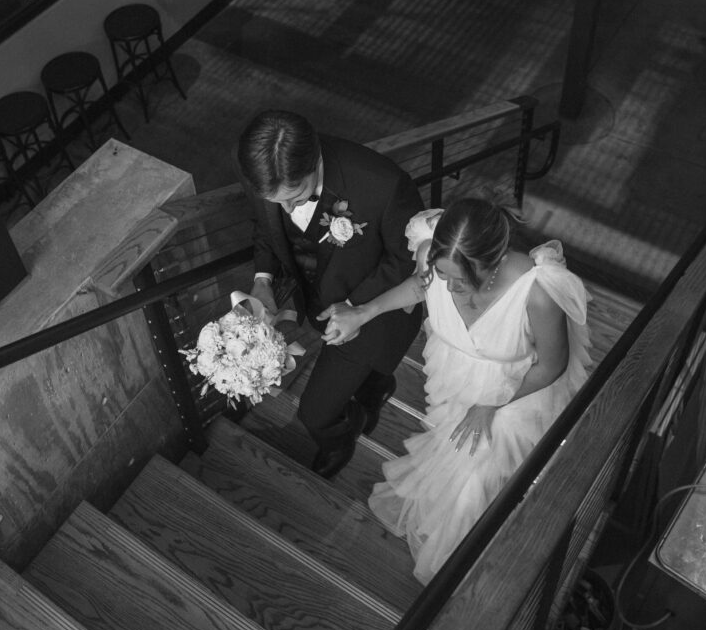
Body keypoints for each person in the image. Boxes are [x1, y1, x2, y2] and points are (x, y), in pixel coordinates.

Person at [325, 198, 591, 583]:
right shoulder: (430, 256)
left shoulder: (537, 292)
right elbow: (418, 288)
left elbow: (552, 365)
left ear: (493, 262)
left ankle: (460, 570)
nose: (447, 287)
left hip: (516, 390)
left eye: (460, 280)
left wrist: (491, 405)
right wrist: (363, 313)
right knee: (456, 457)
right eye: (441, 274)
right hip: (456, 377)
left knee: (481, 474)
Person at [236, 109, 424, 479]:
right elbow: (265, 226)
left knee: (314, 413)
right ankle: (375, 389)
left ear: (314, 160)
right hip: (317, 302)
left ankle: (340, 437)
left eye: (295, 196)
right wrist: (263, 278)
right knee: (365, 378)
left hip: (376, 312)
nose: (286, 209)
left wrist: (358, 309)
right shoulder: (257, 164)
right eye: (275, 200)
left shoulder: (383, 185)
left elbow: (408, 262)